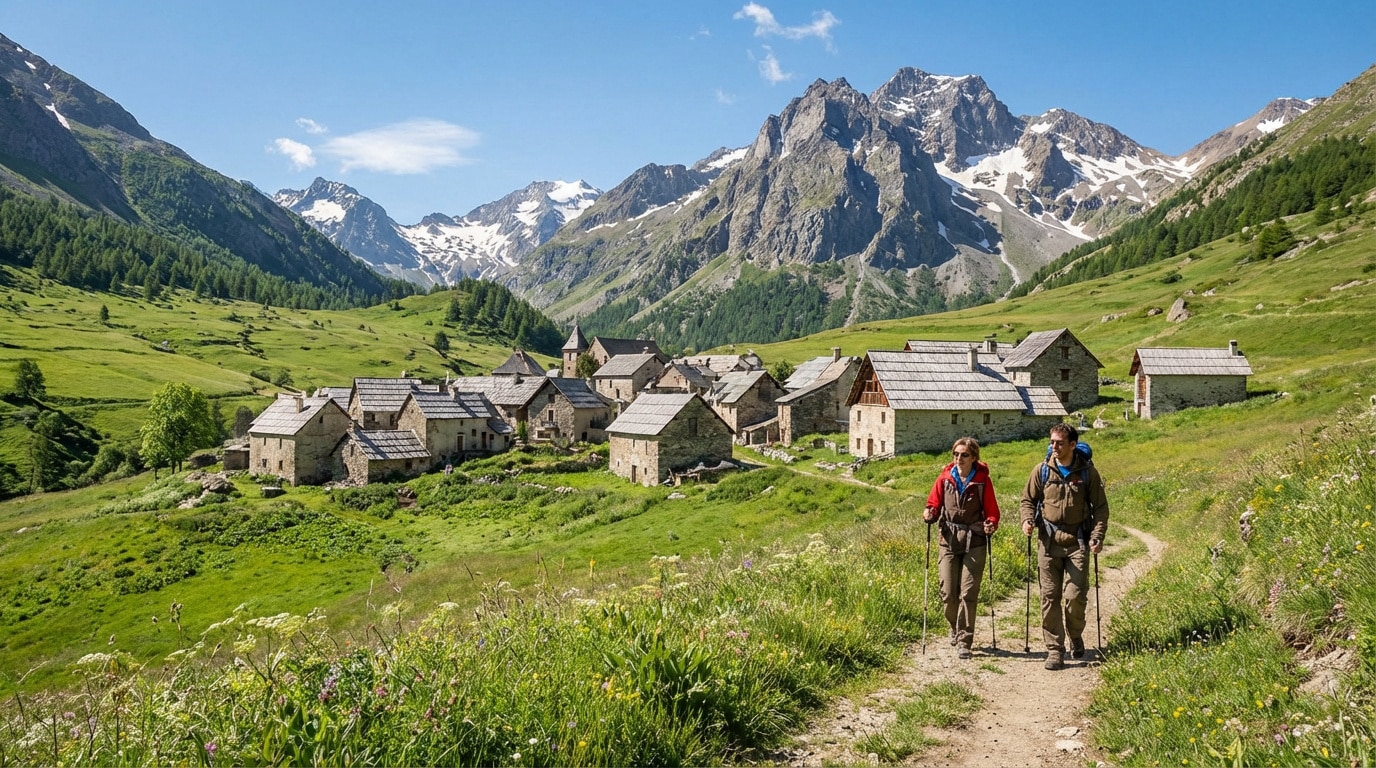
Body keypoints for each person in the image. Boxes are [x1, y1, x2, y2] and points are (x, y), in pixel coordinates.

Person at [1019, 423, 1110, 670]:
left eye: (1059, 442)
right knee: (1050, 596)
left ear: (1072, 444)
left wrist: (1097, 536)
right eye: (1052, 442)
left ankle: (1075, 634)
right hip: (1048, 542)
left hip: (1078, 541)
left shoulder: (1088, 473)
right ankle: (1055, 649)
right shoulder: (1042, 471)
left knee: (1075, 596)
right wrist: (1027, 520)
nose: (1054, 446)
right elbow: (1028, 500)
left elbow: (1100, 509)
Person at [923, 437, 1000, 659]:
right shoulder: (945, 478)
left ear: (974, 457)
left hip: (974, 540)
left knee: (968, 592)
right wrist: (930, 513)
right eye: (956, 454)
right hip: (948, 539)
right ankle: (954, 627)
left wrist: (991, 524)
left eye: (964, 455)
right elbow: (933, 503)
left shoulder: (983, 481)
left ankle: (965, 639)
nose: (959, 458)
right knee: (948, 592)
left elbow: (992, 510)